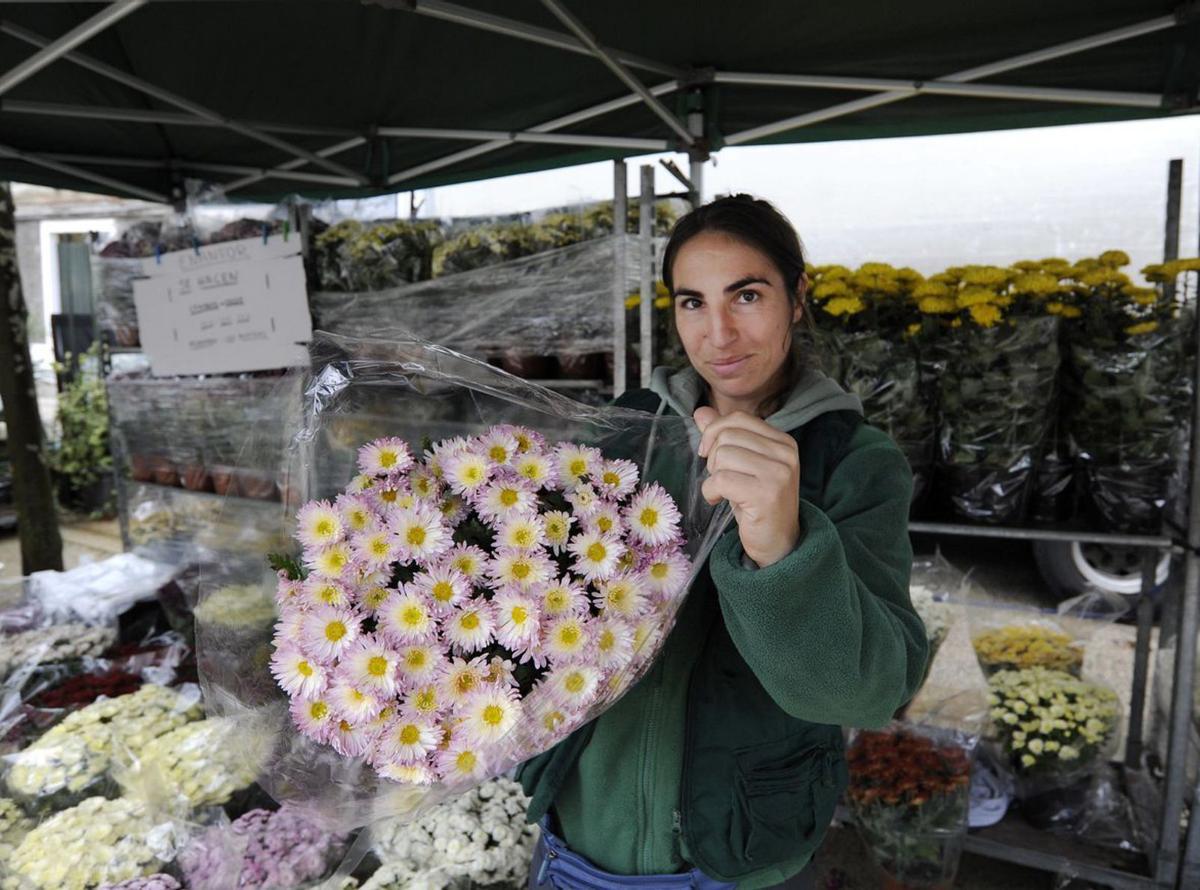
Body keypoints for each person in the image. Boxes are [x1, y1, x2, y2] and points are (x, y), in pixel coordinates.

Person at [518, 194, 929, 889]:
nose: (719, 334)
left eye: (746, 295)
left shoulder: (855, 461)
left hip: (738, 850)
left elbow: (872, 692)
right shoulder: (621, 434)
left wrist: (784, 546)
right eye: (692, 302)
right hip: (578, 836)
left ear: (797, 298)